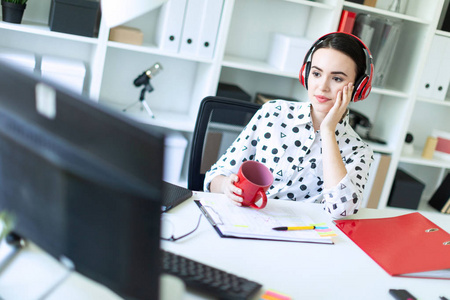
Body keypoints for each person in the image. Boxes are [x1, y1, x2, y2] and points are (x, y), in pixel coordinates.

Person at [204, 32, 374, 219]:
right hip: (246, 221)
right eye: (316, 73)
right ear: (306, 74)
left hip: (300, 237)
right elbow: (214, 177)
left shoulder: (358, 151)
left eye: (337, 79)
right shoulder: (274, 113)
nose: (322, 86)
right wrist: (226, 186)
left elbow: (341, 211)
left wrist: (328, 132)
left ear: (359, 86)